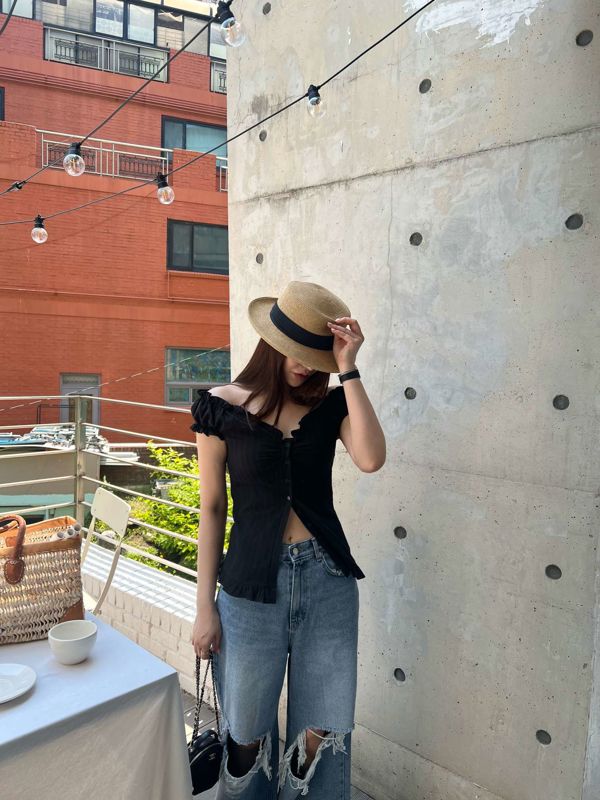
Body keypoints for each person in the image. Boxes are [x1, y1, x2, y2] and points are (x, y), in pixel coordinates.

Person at [190, 280, 386, 799]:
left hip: (328, 582)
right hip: (249, 591)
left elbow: (371, 458)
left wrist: (348, 367)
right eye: (296, 351)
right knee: (246, 737)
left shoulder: (331, 406)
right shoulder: (219, 408)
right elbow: (212, 508)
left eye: (315, 356)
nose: (304, 365)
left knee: (321, 730)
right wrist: (204, 606)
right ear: (270, 342)